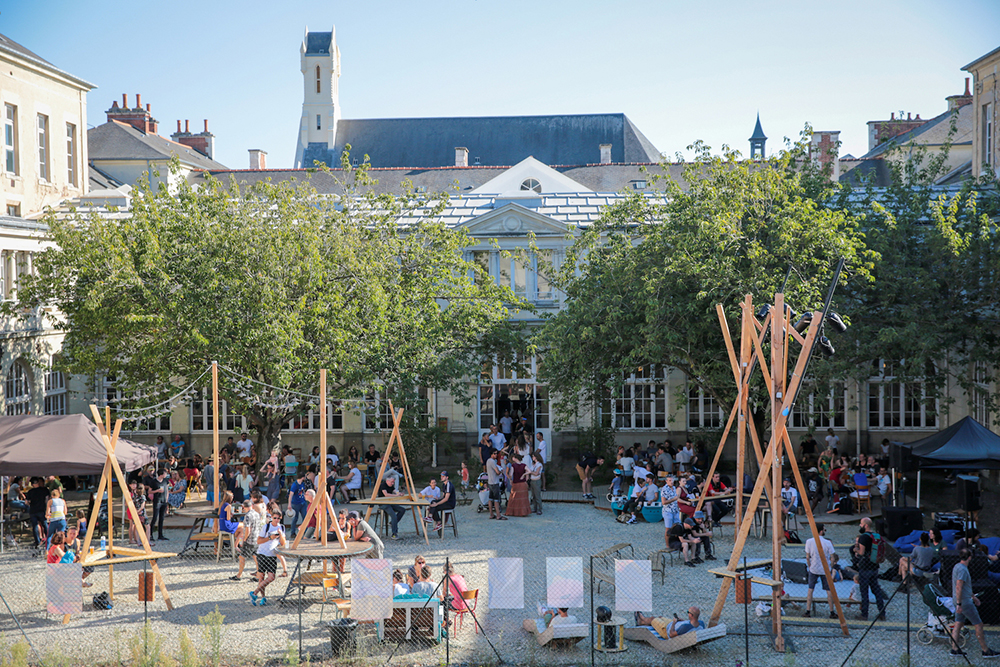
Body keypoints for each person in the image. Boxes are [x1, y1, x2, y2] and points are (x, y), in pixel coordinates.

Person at [951, 548, 1000, 658]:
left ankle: (954, 648)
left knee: (958, 623)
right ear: (969, 557)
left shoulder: (957, 566)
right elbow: (959, 586)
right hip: (964, 602)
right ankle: (985, 650)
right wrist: (959, 604)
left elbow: (964, 587)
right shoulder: (963, 570)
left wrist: (973, 597)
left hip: (960, 600)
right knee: (978, 624)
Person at [249, 510, 286, 606]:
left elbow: (283, 543)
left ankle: (254, 593)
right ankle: (263, 598)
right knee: (261, 578)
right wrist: (270, 538)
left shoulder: (281, 527)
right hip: (262, 553)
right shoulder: (266, 527)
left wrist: (280, 535)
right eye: (275, 518)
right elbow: (259, 541)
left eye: (278, 518)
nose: (276, 520)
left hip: (272, 555)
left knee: (271, 577)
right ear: (271, 518)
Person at [851, 531, 886, 621]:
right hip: (874, 567)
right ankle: (882, 613)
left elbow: (862, 552)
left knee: (864, 592)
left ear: (865, 525)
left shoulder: (863, 537)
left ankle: (864, 614)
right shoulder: (875, 536)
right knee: (876, 590)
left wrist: (855, 550)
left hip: (865, 568)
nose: (860, 525)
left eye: (862, 523)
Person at [804, 523, 837, 618]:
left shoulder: (809, 541)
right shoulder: (828, 543)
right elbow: (832, 557)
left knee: (810, 589)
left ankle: (808, 611)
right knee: (828, 590)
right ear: (821, 531)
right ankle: (831, 611)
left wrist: (810, 566)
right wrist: (830, 567)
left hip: (814, 568)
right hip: (825, 569)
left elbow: (807, 557)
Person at [231, 498, 261, 581]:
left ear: (243, 507)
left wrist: (244, 539)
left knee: (242, 557)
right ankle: (258, 575)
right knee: (255, 557)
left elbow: (247, 529)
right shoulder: (256, 514)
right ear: (251, 505)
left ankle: (239, 575)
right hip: (256, 538)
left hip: (249, 540)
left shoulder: (247, 516)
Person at [635, 607, 705, 638]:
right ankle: (642, 621)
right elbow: (691, 625)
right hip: (674, 624)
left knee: (653, 619)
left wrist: (674, 623)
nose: (687, 613)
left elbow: (671, 635)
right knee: (660, 617)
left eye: (688, 612)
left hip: (666, 630)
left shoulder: (684, 628)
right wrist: (681, 620)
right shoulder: (701, 624)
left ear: (691, 615)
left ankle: (641, 620)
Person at [378, 474, 406, 540]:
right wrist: (396, 496)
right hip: (383, 503)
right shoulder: (383, 485)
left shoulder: (391, 485)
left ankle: (392, 523)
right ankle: (394, 534)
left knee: (402, 510)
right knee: (393, 515)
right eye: (392, 482)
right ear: (387, 481)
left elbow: (395, 491)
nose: (392, 483)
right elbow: (386, 494)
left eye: (393, 482)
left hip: (389, 503)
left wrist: (399, 493)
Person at [485, 449, 506, 521]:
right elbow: (497, 472)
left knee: (490, 499)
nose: (496, 455)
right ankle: (498, 515)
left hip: (490, 482)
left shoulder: (488, 461)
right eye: (495, 453)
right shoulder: (493, 462)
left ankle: (491, 514)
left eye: (497, 453)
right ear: (491, 454)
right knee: (496, 500)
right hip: (495, 482)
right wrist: (501, 471)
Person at [288, 470, 309, 536]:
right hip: (296, 504)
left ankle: (305, 532)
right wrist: (289, 504)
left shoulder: (302, 483)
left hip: (303, 502)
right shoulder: (294, 485)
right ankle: (293, 532)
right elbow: (291, 494)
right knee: (295, 518)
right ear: (302, 477)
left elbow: (303, 491)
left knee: (305, 517)